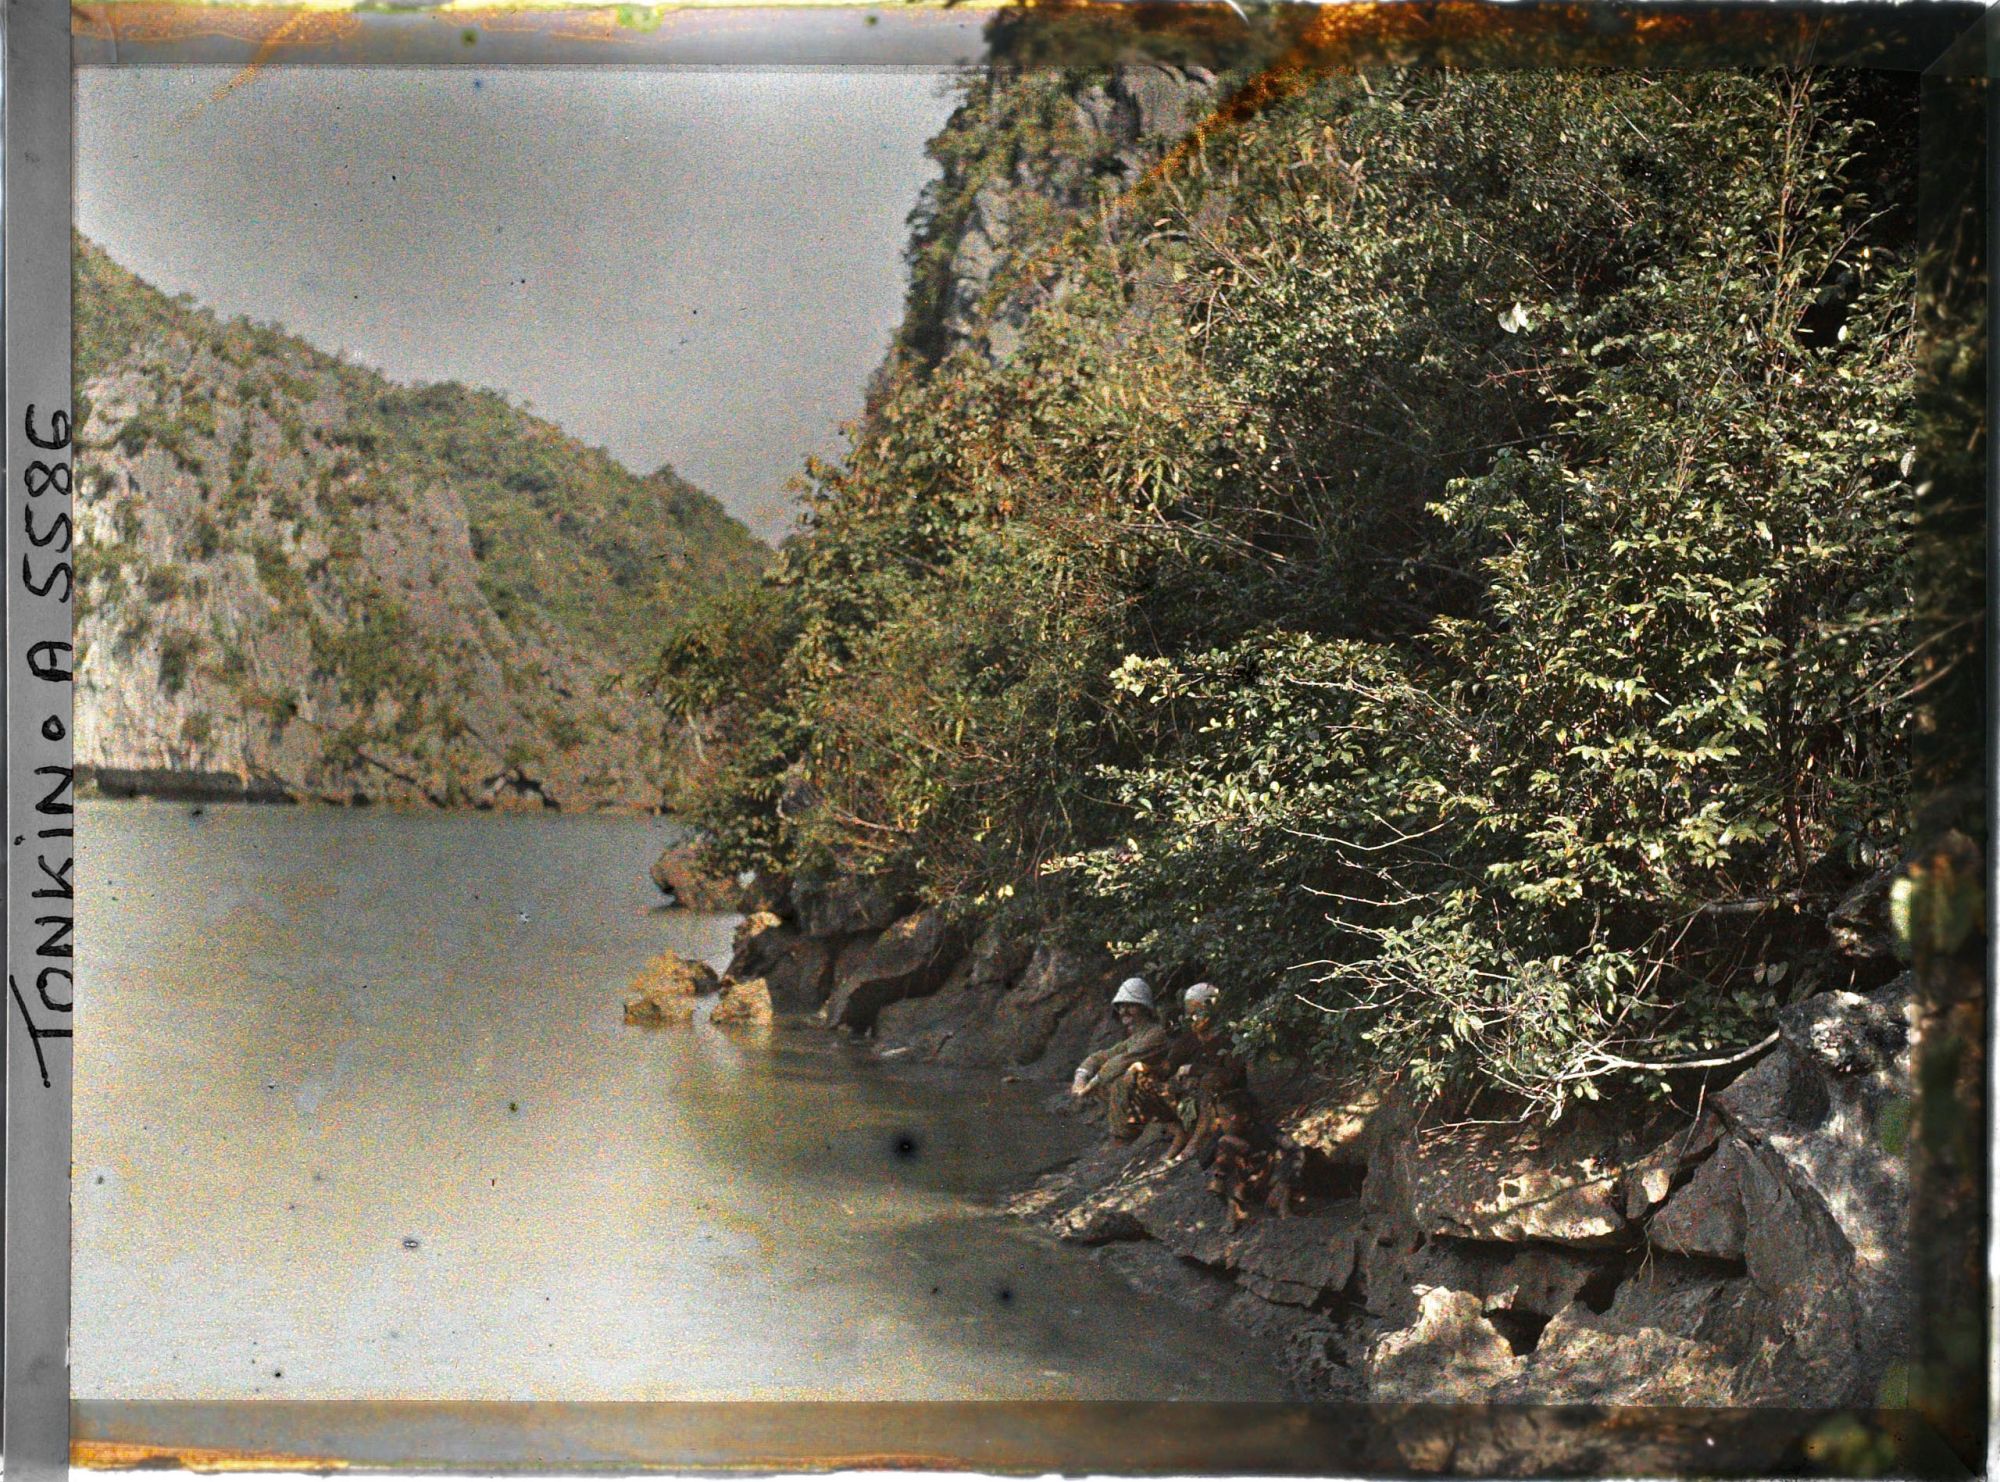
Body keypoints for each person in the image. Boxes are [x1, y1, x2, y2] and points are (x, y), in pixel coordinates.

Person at [1070, 977, 1174, 1143]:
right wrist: (1080, 1077)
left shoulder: (1155, 1034)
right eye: (1121, 1006)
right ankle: (1123, 1132)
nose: (1124, 1011)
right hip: (1143, 1099)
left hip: (1161, 1095)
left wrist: (1091, 1084)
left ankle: (1126, 1135)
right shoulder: (1135, 1037)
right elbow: (1101, 1056)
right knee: (1110, 1081)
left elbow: (1122, 1061)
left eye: (1130, 1005)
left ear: (1144, 1008)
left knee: (1118, 1079)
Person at [1161, 981, 1247, 1163]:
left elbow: (1232, 1075)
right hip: (1195, 1099)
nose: (1192, 1019)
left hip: (1227, 1101)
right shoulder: (1188, 1040)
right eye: (1189, 1013)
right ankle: (1180, 1135)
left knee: (1209, 1080)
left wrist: (1195, 1070)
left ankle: (1196, 1142)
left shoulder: (1228, 1038)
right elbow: (1167, 1068)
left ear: (1212, 1008)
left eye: (1197, 1013)